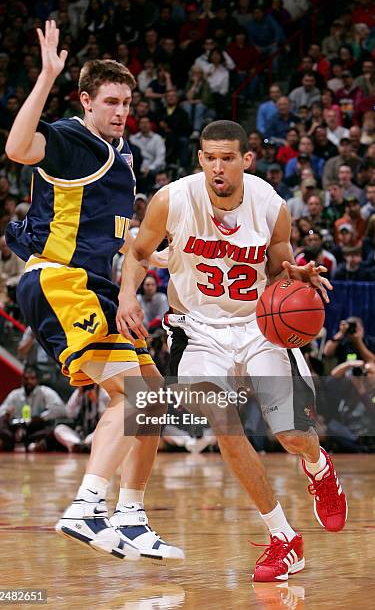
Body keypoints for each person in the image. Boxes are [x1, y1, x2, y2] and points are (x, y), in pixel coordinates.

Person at [117, 120, 347, 582]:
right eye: (209, 158)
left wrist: (293, 278)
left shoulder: (269, 205)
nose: (217, 167)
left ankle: (319, 466)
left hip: (259, 325)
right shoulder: (173, 200)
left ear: (246, 159)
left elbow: (281, 264)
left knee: (292, 437)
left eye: (227, 158)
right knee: (223, 424)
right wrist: (127, 297)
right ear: (199, 159)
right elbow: (139, 252)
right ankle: (284, 539)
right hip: (197, 329)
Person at [4, 21, 183, 563]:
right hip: (60, 281)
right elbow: (16, 147)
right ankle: (86, 507)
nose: (121, 110)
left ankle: (130, 518)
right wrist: (45, 77)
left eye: (127, 102)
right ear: (87, 101)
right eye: (110, 101)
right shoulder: (70, 139)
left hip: (93, 285)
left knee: (150, 401)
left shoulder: (122, 156)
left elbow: (124, 237)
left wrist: (176, 257)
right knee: (132, 399)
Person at [0, 366, 66, 452]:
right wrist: (7, 414)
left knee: (53, 431)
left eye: (32, 378)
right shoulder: (15, 394)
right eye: (26, 379)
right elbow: (1, 411)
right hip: (16, 428)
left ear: (37, 380)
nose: (29, 381)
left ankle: (32, 444)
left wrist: (42, 417)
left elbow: (61, 409)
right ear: (22, 380)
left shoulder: (45, 392)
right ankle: (15, 442)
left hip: (35, 428)